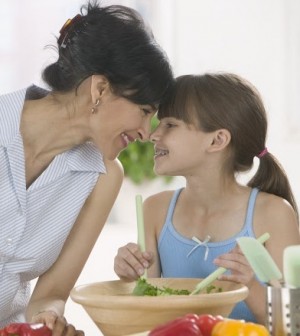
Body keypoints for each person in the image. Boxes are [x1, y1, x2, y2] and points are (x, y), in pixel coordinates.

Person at [0, 0, 174, 333]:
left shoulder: (104, 178)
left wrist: (48, 319)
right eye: (144, 110)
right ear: (101, 89)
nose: (146, 132)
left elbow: (49, 295)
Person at [114, 73, 300, 324]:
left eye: (170, 125)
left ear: (217, 140)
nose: (153, 135)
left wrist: (251, 287)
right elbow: (150, 313)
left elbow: (293, 325)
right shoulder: (155, 210)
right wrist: (132, 278)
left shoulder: (274, 214)